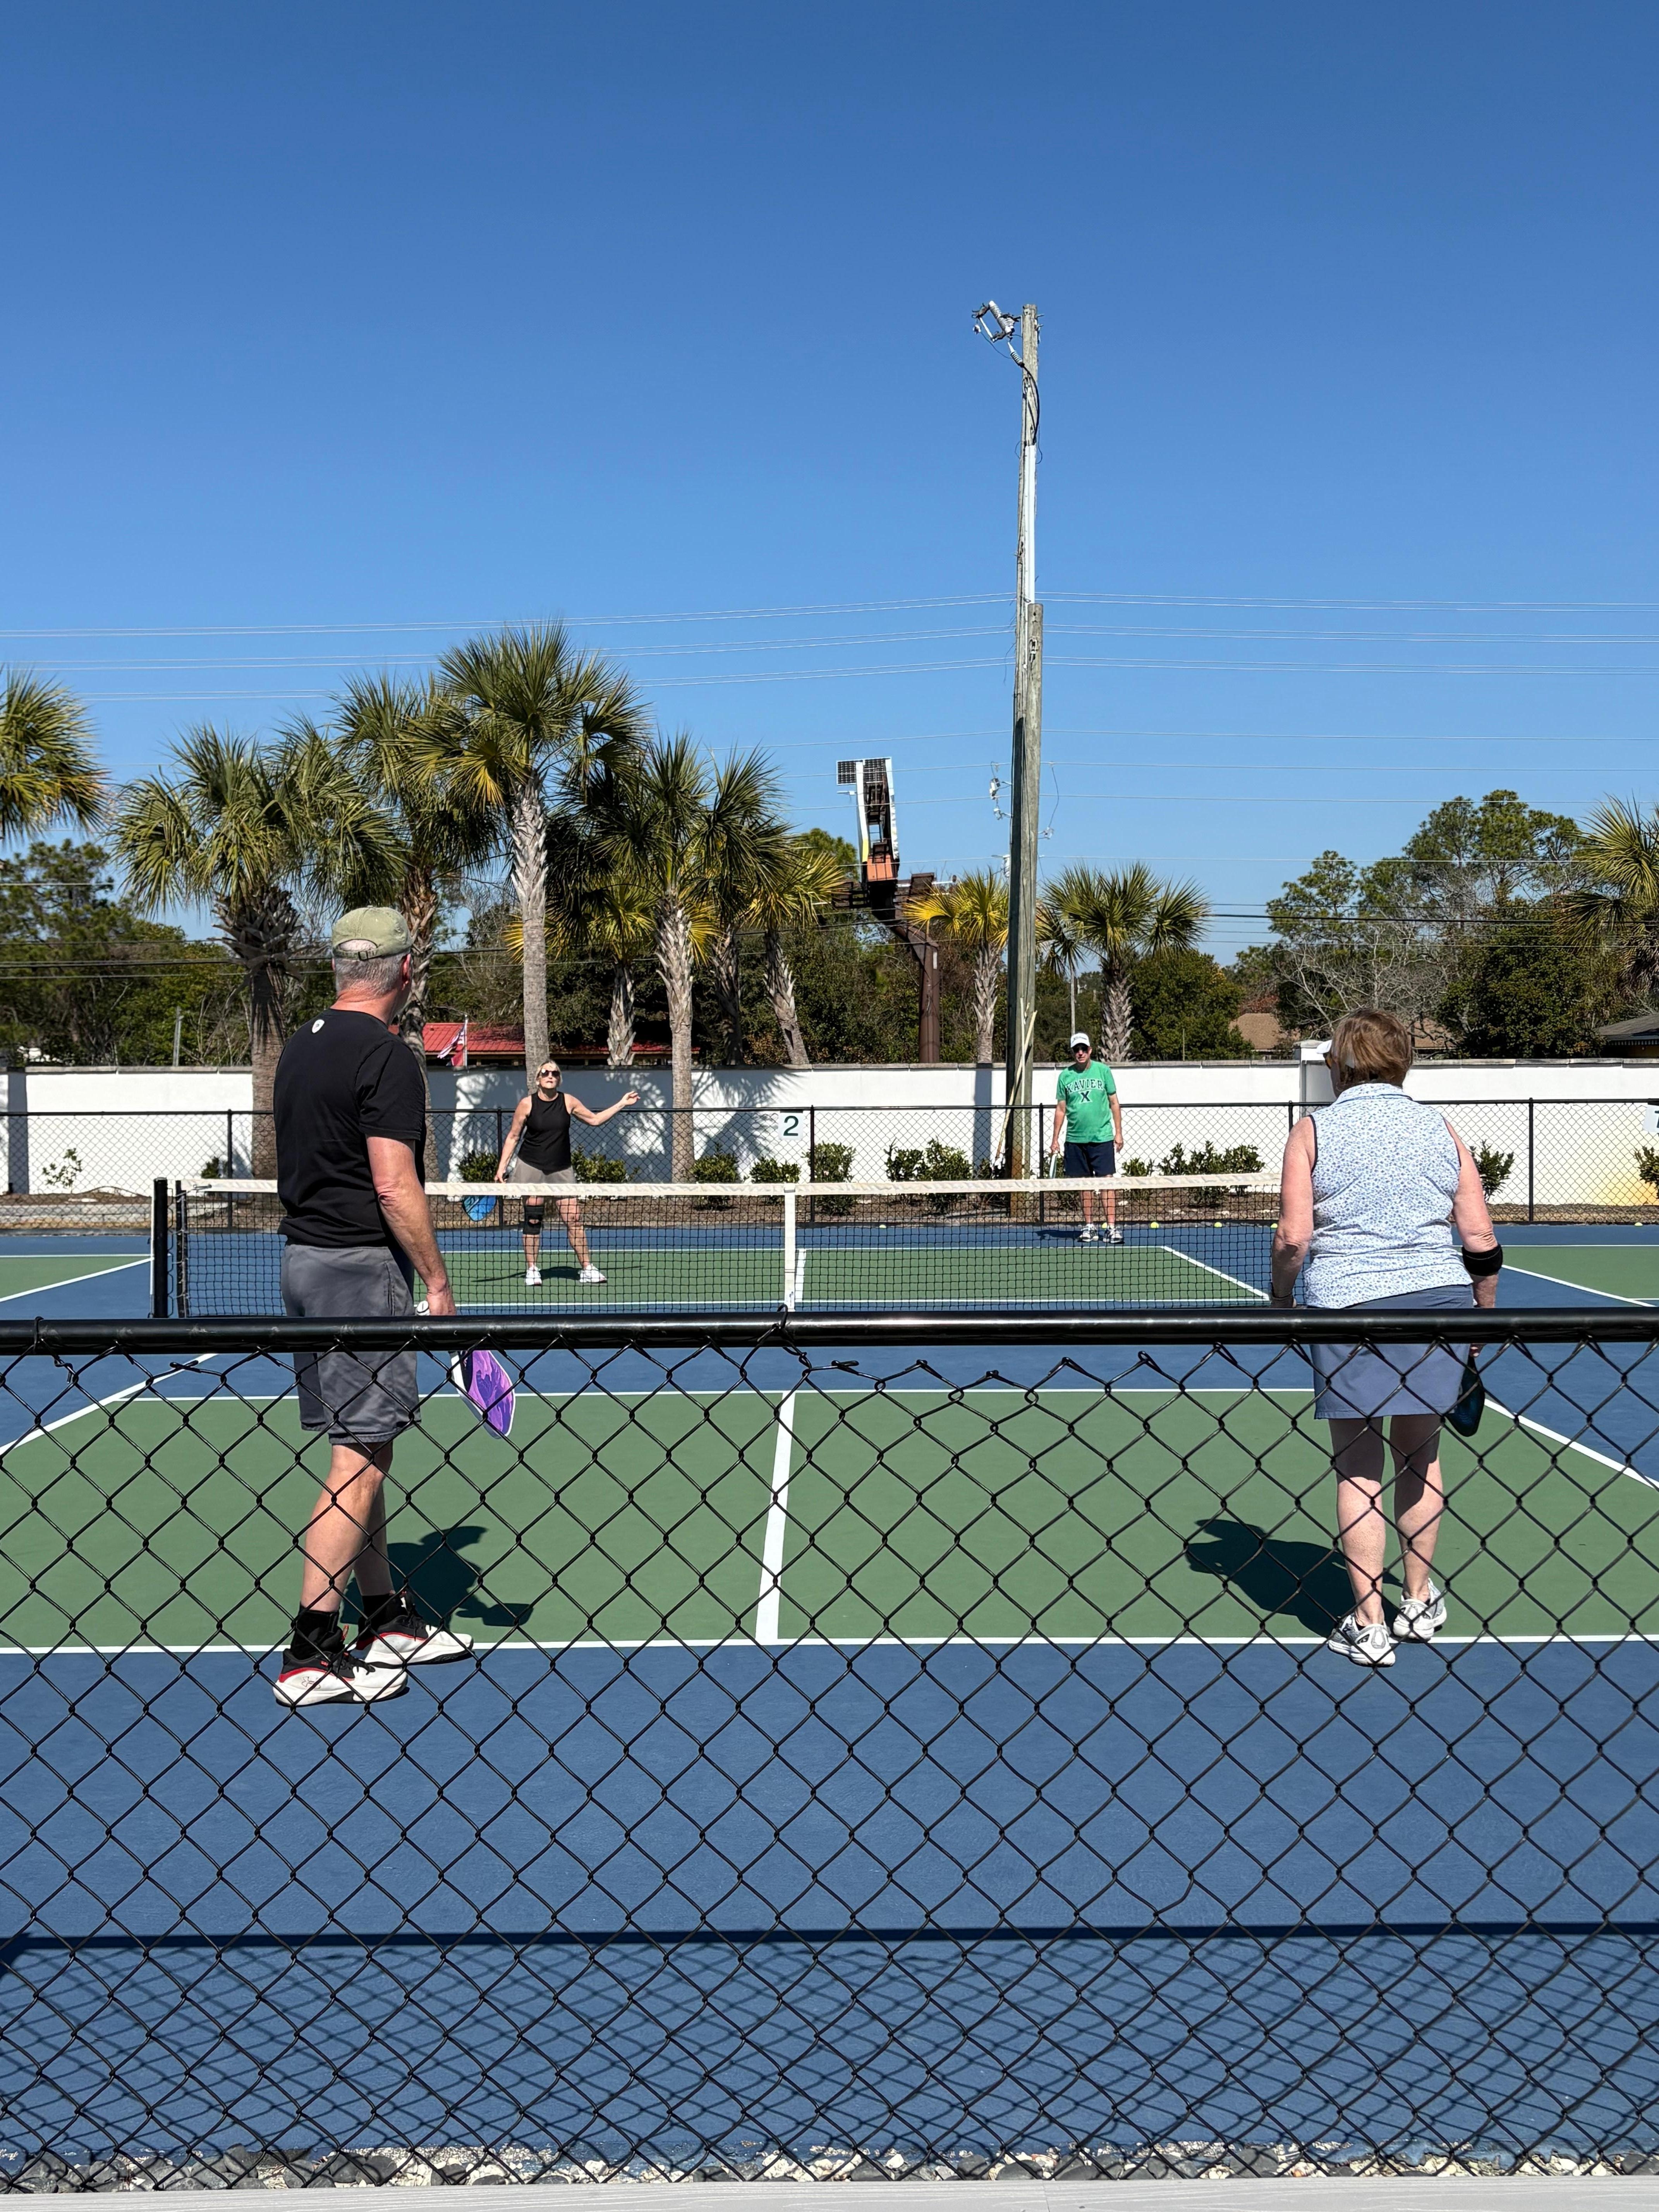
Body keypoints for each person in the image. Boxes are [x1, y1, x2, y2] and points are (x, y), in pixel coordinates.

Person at [271, 907, 474, 1709]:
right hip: (360, 1273)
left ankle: (386, 1617)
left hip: (304, 1266)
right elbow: (394, 1184)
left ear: (338, 968)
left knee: (365, 1447)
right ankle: (311, 1651)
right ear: (404, 970)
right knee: (358, 1460)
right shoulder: (389, 1057)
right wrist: (438, 1284)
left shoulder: (301, 1046)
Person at [1270, 1007, 1502, 1667]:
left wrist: (1280, 1302)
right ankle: (1419, 1601)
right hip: (1437, 1306)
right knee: (1420, 1456)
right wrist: (1478, 1321)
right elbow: (1480, 1241)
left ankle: (1368, 1627)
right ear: (1402, 1060)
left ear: (1337, 1063)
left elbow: (1292, 1238)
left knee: (1356, 1467)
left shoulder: (1312, 1129)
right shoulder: (1438, 1127)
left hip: (1345, 1309)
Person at [492, 1058, 640, 1287]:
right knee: (533, 1218)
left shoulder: (569, 1102)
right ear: (538, 1079)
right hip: (531, 1166)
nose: (550, 1076)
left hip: (562, 1168)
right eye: (546, 1073)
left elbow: (595, 1120)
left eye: (555, 1073)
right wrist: (502, 1168)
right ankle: (532, 1270)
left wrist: (621, 1103)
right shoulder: (527, 1104)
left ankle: (587, 1268)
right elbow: (513, 1136)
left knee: (574, 1219)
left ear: (559, 1079)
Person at [1049, 1030, 1124, 1243]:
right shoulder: (1065, 1076)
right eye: (1077, 1050)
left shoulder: (1103, 1071)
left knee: (1107, 1182)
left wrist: (1118, 1133)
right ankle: (1089, 1226)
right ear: (1073, 1052)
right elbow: (1061, 1109)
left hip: (1102, 1138)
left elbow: (1114, 1103)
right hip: (1075, 1139)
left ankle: (1111, 1228)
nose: (1080, 1053)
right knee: (1084, 1185)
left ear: (1090, 1050)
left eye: (1084, 1049)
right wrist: (1055, 1139)